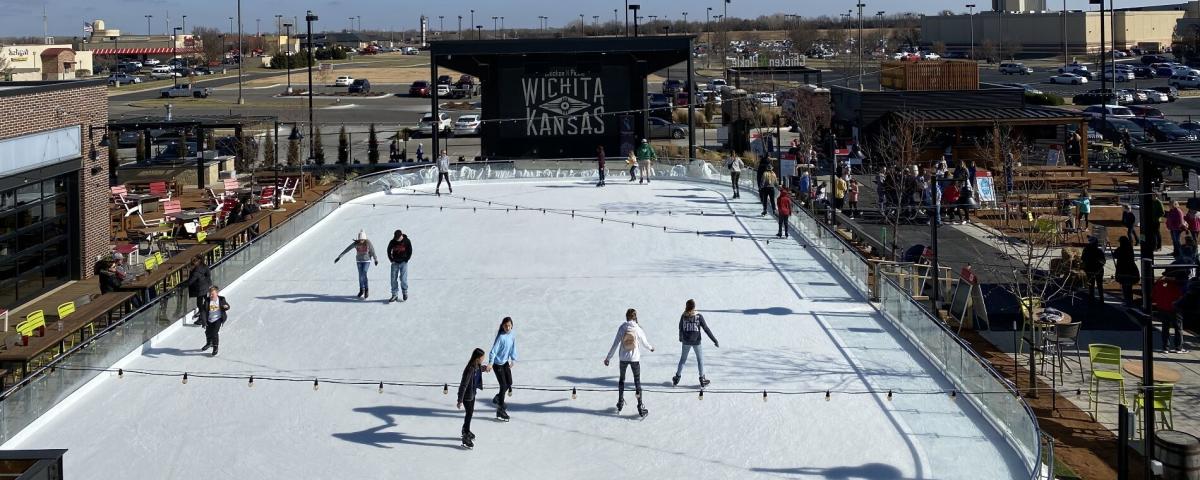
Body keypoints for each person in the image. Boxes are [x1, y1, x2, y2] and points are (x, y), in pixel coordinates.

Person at [604, 308, 654, 417]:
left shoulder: (622, 328)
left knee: (622, 380)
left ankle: (620, 401)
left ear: (626, 317)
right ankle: (640, 405)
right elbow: (645, 342)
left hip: (623, 358)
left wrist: (608, 358)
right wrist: (650, 348)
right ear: (635, 317)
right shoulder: (637, 328)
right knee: (637, 382)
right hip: (635, 359)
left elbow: (615, 344)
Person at [672, 299, 719, 387]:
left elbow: (680, 328)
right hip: (696, 342)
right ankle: (702, 379)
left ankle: (677, 378)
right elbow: (706, 329)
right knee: (700, 360)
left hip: (686, 342)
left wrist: (680, 338)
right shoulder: (698, 316)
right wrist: (714, 340)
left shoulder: (683, 316)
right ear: (694, 307)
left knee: (683, 360)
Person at [487, 317, 517, 422]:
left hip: (505, 363)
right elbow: (493, 351)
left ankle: (498, 398)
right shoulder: (500, 337)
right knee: (503, 385)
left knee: (509, 383)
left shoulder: (512, 336)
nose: (507, 327)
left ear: (512, 325)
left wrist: (513, 359)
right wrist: (490, 363)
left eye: (509, 325)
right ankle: (500, 409)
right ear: (502, 326)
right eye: (505, 326)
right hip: (497, 364)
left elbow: (513, 348)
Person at [456, 348, 487, 449]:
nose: (483, 359)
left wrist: (485, 368)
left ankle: (466, 430)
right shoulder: (470, 369)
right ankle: (465, 435)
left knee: (470, 413)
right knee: (469, 414)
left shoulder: (477, 366)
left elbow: (479, 369)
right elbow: (463, 385)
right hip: (467, 396)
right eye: (482, 357)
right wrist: (460, 400)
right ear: (477, 358)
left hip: (473, 394)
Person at [334, 230, 378, 299]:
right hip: (359, 261)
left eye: (363, 239)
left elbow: (372, 251)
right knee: (360, 276)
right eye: (360, 239)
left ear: (365, 239)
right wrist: (339, 256)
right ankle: (361, 290)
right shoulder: (356, 243)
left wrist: (375, 259)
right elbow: (347, 249)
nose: (361, 241)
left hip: (367, 260)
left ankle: (366, 290)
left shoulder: (368, 243)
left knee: (364, 273)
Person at [1170, 276, 1200, 353]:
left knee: (1178, 328)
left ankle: (1178, 347)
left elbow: (1179, 302)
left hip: (1185, 312)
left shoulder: (1189, 292)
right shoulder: (1191, 293)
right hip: (1191, 312)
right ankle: (1178, 347)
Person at [199, 285, 230, 357]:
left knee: (214, 333)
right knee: (207, 332)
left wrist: (226, 306)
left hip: (218, 319)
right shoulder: (207, 301)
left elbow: (227, 306)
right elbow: (203, 311)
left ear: (217, 293)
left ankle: (215, 347)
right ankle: (209, 343)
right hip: (209, 319)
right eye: (210, 294)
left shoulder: (221, 299)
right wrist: (204, 321)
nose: (211, 295)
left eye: (212, 294)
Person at [385, 229, 412, 303]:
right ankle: (394, 294)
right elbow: (388, 250)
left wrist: (407, 259)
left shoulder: (406, 241)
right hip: (395, 263)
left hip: (403, 262)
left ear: (401, 236)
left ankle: (405, 292)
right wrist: (391, 259)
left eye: (398, 238)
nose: (396, 239)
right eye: (395, 238)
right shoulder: (392, 241)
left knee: (403, 278)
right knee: (393, 279)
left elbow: (410, 250)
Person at [1114, 236, 1140, 306]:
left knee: (1125, 288)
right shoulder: (1130, 248)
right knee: (1129, 288)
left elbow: (1115, 255)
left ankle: (1128, 302)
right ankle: (1129, 301)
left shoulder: (1120, 249)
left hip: (1123, 271)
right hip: (1132, 271)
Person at [186, 257, 212, 322]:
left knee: (199, 304)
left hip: (200, 289)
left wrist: (180, 285)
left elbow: (190, 282)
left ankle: (202, 318)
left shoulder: (196, 272)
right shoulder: (204, 266)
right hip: (206, 286)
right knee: (205, 301)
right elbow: (208, 274)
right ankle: (204, 313)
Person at [1081, 237, 1107, 301]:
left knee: (1091, 285)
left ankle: (1091, 298)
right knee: (1099, 285)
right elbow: (1103, 261)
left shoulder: (1086, 250)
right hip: (1098, 270)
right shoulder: (1099, 251)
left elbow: (1082, 259)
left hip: (1089, 270)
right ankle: (1101, 299)